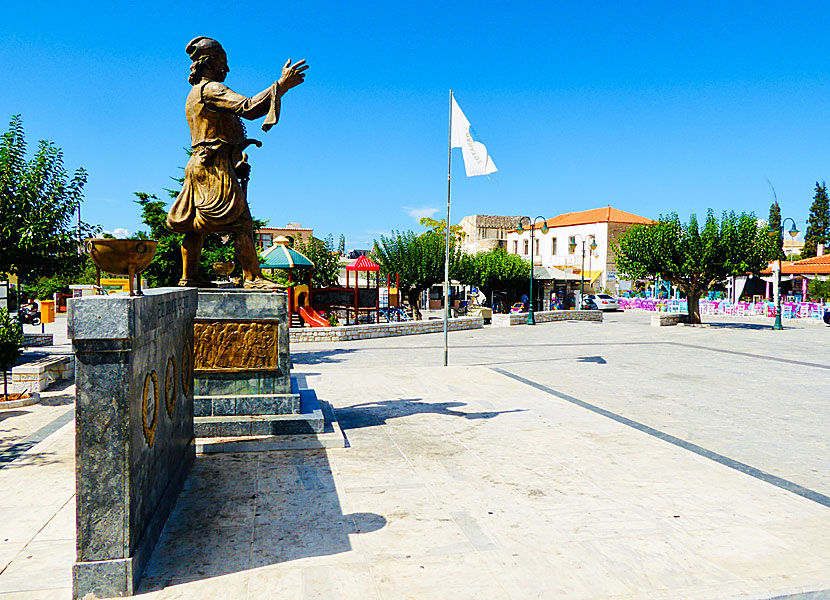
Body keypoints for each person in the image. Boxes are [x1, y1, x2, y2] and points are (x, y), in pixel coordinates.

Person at [167, 37, 308, 288]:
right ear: (210, 62)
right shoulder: (211, 89)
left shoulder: (195, 93)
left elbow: (213, 134)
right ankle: (252, 277)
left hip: (202, 164)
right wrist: (281, 85)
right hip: (213, 166)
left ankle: (190, 276)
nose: (227, 69)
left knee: (195, 226)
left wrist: (234, 162)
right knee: (242, 223)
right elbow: (249, 108)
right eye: (223, 62)